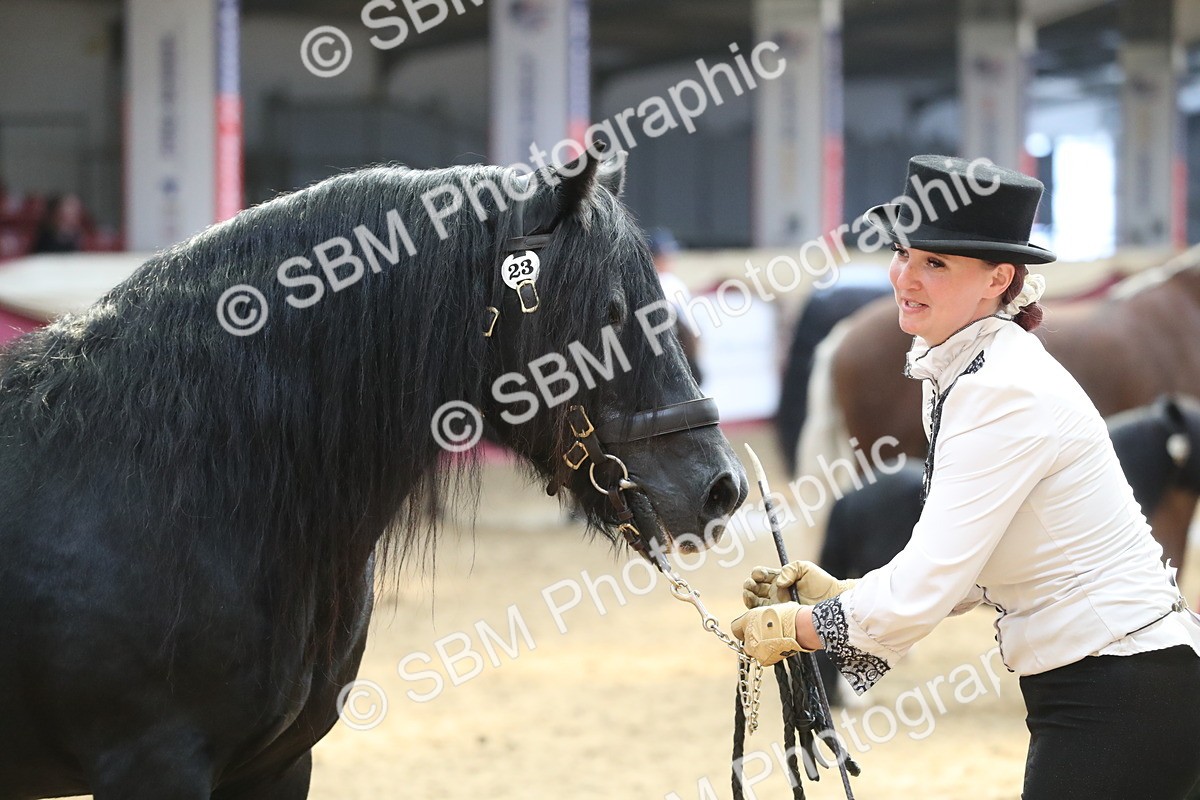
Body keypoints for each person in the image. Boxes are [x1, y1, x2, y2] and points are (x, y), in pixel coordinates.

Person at [733, 155, 1200, 799]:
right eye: (904, 254)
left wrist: (801, 628)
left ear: (999, 279)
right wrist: (845, 594)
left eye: (936, 263)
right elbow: (974, 567)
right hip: (1112, 687)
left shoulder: (998, 388)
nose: (905, 276)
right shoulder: (965, 369)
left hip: (1122, 693)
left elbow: (927, 583)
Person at [649, 228, 703, 385]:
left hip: (679, 348)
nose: (670, 259)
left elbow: (690, 325)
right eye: (665, 255)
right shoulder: (659, 282)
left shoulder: (674, 282)